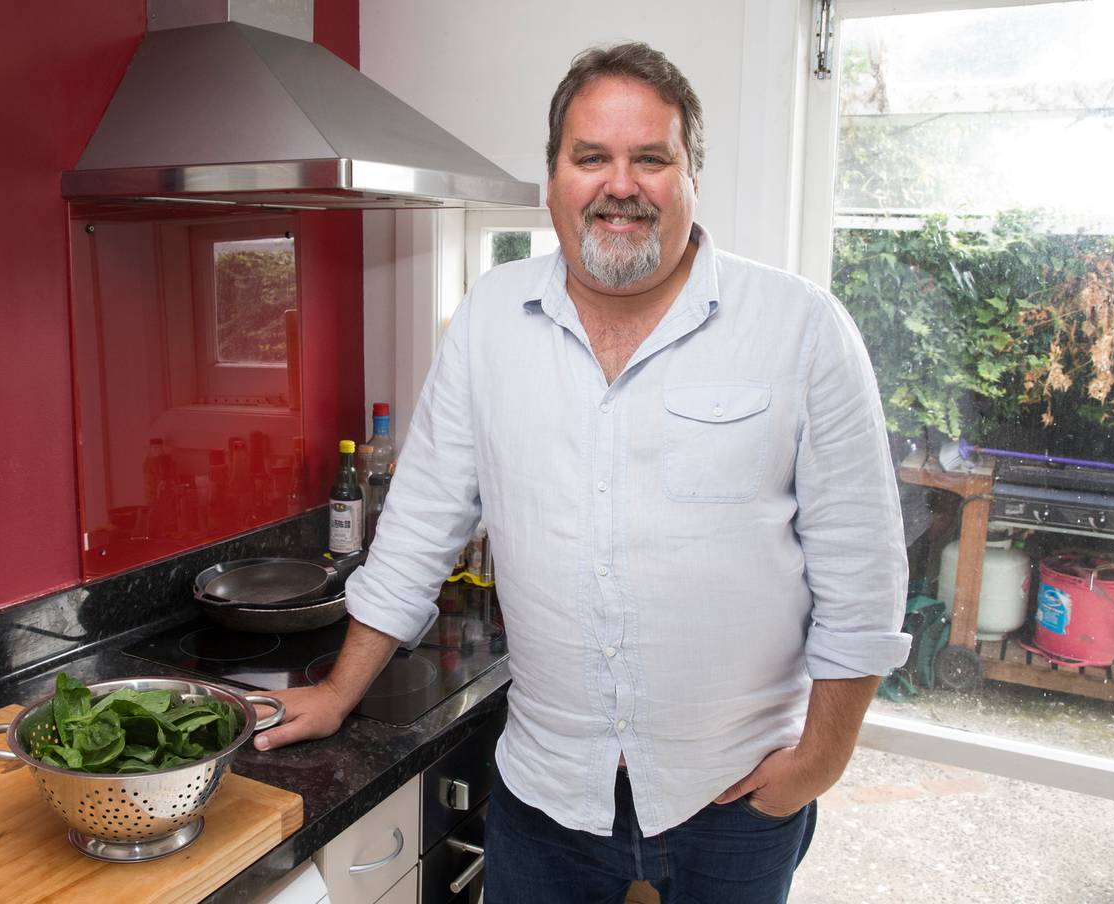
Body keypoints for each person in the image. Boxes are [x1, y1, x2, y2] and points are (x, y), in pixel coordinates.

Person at [257, 42, 909, 903]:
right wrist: (340, 691)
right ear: (554, 177)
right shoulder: (490, 318)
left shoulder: (801, 326)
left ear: (690, 175)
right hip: (546, 797)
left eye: (651, 158)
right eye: (591, 157)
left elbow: (862, 569)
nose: (620, 184)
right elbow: (419, 525)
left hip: (735, 795)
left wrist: (820, 760)